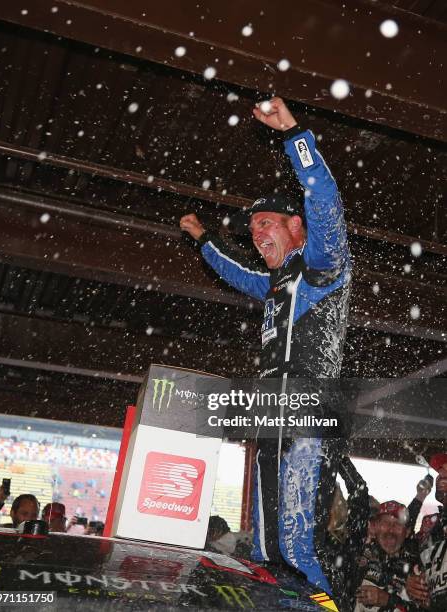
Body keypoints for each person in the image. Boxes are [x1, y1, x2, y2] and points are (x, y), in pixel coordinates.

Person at [180, 98, 353, 604]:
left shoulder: (322, 265)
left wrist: (294, 136)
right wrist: (204, 240)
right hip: (270, 424)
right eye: (252, 229)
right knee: (266, 548)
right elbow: (237, 274)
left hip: (307, 423)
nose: (256, 236)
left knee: (298, 549)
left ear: (296, 227)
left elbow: (326, 205)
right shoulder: (275, 284)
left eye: (266, 224)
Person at [355, 501, 419, 611]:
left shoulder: (418, 567)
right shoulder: (356, 554)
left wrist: (389, 601)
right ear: (375, 527)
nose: (390, 529)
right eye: (385, 523)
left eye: (398, 524)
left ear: (407, 531)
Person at [406, 453, 447, 610]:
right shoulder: (430, 525)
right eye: (440, 470)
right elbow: (403, 536)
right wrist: (409, 581)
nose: (441, 474)